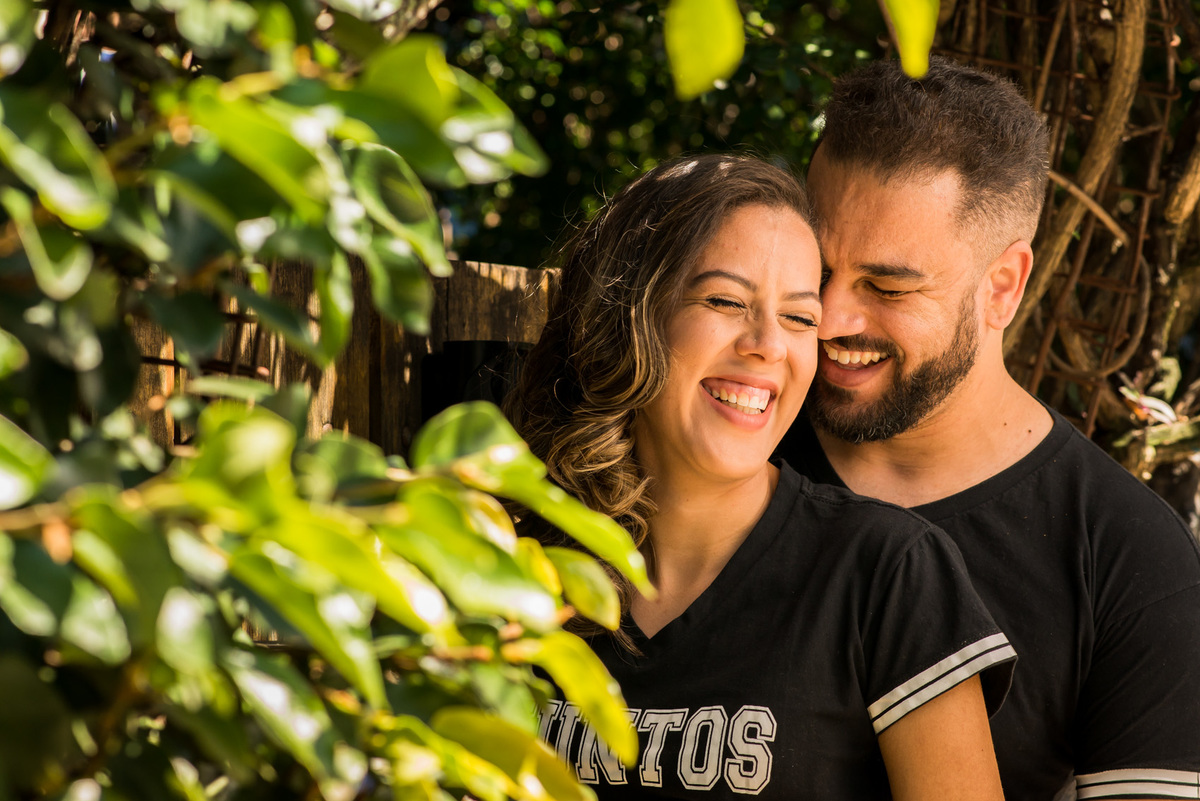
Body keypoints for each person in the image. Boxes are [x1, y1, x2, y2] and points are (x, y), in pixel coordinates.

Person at [506, 153, 1014, 799]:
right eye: (724, 300)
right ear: (631, 318)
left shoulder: (885, 573)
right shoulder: (520, 569)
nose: (768, 345)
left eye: (800, 318)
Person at [776, 56, 1200, 799]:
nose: (829, 318)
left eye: (886, 286)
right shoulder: (724, 449)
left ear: (1002, 286)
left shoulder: (1127, 556)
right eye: (819, 266)